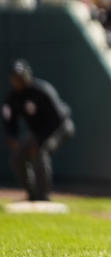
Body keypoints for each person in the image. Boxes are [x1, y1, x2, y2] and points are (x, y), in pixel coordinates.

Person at [2, 60, 74, 202]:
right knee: (17, 157)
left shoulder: (42, 90)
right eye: (15, 78)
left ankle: (44, 196)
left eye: (20, 77)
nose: (18, 81)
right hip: (39, 133)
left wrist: (40, 140)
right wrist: (12, 137)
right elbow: (9, 121)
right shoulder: (13, 98)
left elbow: (59, 118)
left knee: (40, 151)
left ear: (27, 75)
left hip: (60, 128)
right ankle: (32, 194)